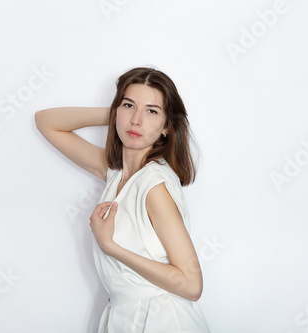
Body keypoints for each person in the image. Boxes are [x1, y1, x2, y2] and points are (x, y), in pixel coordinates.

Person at [35, 67, 210, 332]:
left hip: (161, 320)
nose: (136, 120)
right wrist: (117, 114)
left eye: (152, 111)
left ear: (166, 127)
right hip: (127, 317)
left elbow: (191, 284)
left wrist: (110, 245)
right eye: (130, 105)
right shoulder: (116, 173)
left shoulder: (153, 185)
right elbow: (46, 121)